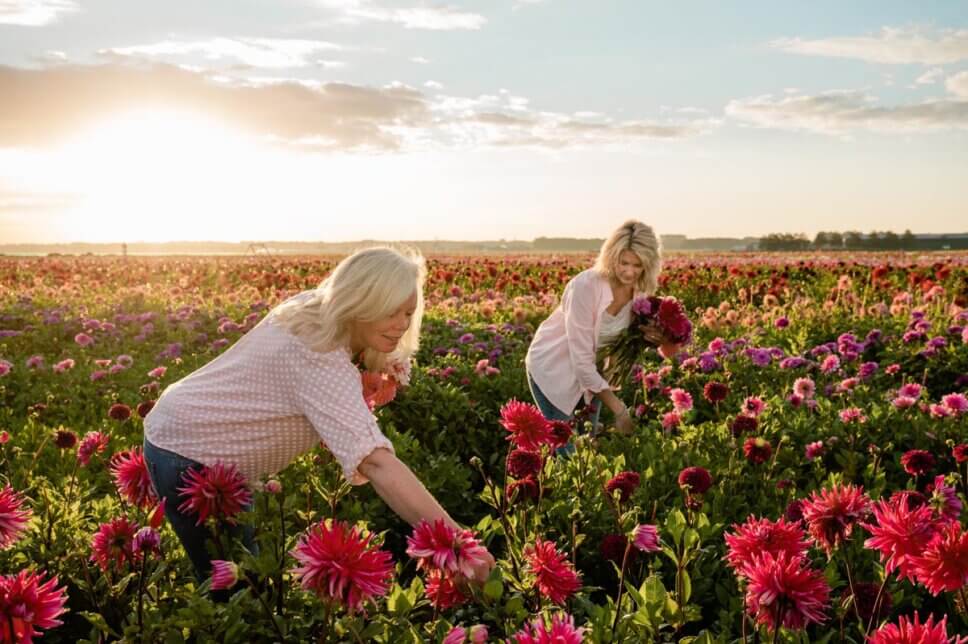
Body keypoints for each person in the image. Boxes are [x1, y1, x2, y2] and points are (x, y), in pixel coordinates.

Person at [143, 247, 495, 585]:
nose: (402, 324)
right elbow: (376, 463)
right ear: (361, 302)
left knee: (246, 572)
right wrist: (457, 542)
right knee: (235, 586)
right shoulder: (317, 353)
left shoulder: (316, 308)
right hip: (189, 452)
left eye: (408, 313)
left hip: (200, 433)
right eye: (391, 312)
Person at [525, 220, 674, 439]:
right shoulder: (585, 287)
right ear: (611, 257)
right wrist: (620, 411)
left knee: (588, 446)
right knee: (565, 449)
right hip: (554, 370)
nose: (629, 272)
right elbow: (581, 362)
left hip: (594, 377)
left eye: (638, 265)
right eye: (624, 263)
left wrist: (652, 338)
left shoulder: (640, 291)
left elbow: (626, 340)